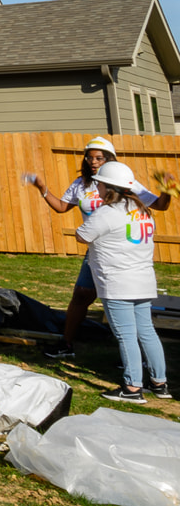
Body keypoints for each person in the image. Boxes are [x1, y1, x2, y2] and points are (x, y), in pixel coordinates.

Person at [33, 137, 171, 360]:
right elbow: (61, 207)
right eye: (89, 157)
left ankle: (138, 360)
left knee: (125, 304)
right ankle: (67, 344)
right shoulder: (81, 184)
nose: (92, 162)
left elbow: (160, 205)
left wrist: (168, 189)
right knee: (81, 295)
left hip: (121, 251)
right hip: (95, 252)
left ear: (110, 159)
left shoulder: (125, 183)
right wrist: (42, 189)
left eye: (99, 158)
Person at [75, 161, 171, 402]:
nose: (97, 188)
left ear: (109, 187)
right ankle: (160, 383)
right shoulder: (141, 209)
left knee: (125, 335)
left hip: (118, 282)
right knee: (146, 331)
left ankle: (132, 388)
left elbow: (82, 235)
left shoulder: (107, 212)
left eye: (100, 184)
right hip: (143, 280)